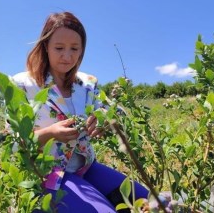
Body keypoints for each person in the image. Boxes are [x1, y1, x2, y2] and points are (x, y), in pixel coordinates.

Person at [11, 12, 149, 212]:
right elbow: (14, 142)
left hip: (86, 167)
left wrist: (104, 119)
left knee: (146, 201)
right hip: (46, 173)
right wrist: (51, 133)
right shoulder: (23, 85)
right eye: (59, 48)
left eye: (74, 49)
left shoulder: (86, 84)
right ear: (45, 46)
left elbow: (117, 112)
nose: (67, 56)